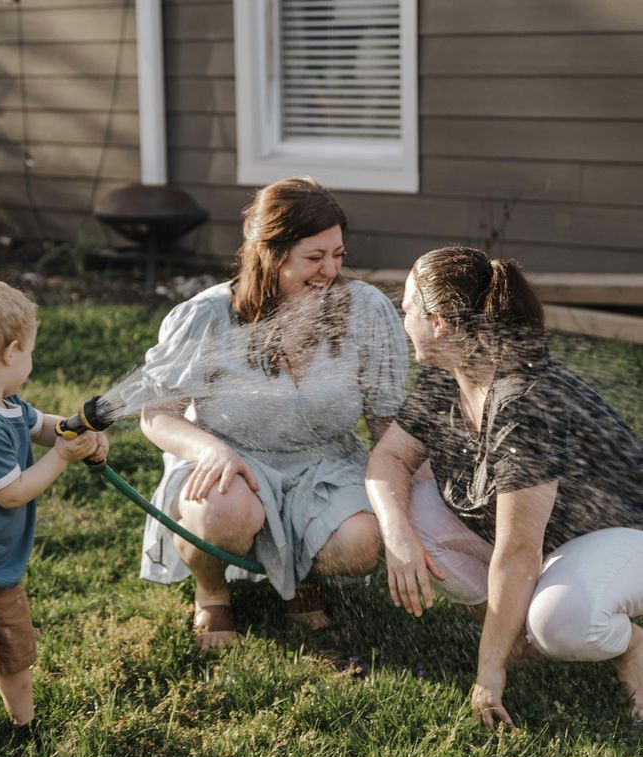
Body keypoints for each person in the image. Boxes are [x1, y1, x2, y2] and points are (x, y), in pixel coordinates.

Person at [366, 245, 643, 726]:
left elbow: (518, 552)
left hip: (626, 536)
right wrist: (398, 538)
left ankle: (633, 647)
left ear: (441, 323)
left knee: (561, 623)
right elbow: (389, 458)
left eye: (409, 308)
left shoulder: (524, 402)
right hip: (553, 546)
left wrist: (487, 672)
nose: (402, 315)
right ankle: (512, 637)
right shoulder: (448, 376)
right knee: (405, 507)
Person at [138, 176, 408, 648]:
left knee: (363, 545)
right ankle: (213, 592)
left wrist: (413, 491)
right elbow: (157, 415)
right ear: (269, 251)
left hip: (324, 463)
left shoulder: (363, 310)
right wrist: (211, 450)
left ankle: (301, 580)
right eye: (315, 257)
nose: (330, 270)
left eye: (338, 255)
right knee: (222, 514)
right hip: (235, 460)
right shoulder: (208, 316)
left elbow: (387, 419)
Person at [0, 278, 108, 744]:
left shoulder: (5, 405)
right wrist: (61, 459)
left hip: (0, 568)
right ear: (12, 352)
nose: (30, 360)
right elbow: (11, 494)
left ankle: (25, 728)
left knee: (16, 655)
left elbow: (43, 427)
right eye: (30, 351)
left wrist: (74, 433)